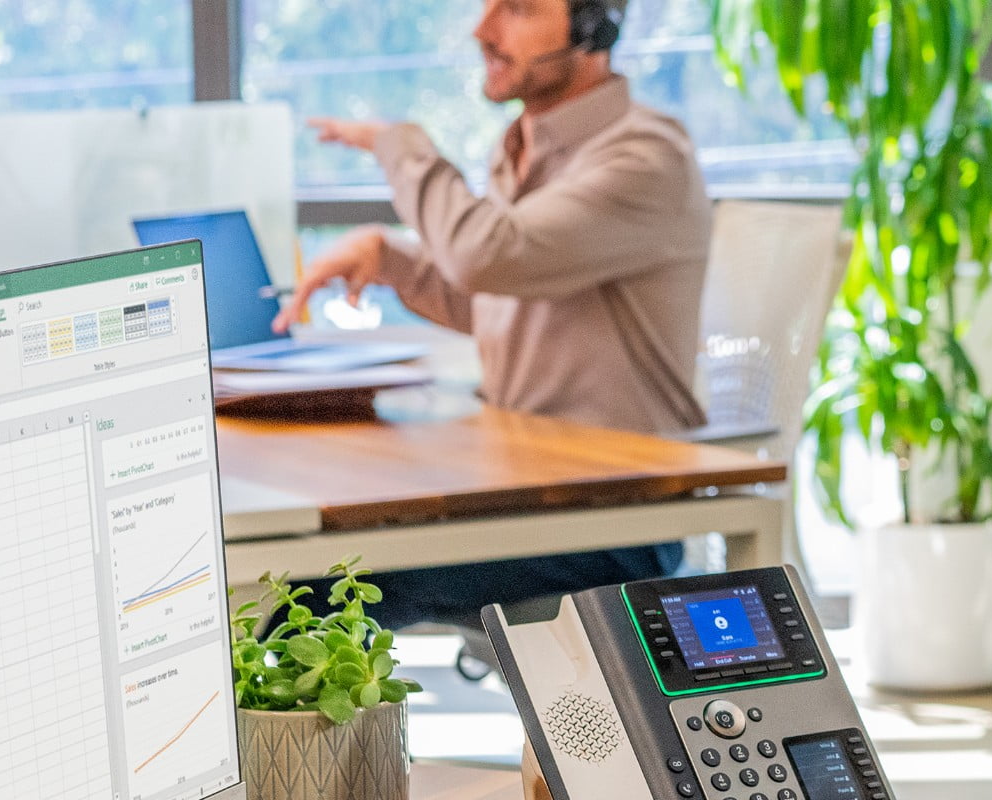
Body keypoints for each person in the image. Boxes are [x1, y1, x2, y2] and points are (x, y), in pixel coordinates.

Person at [282, 0, 713, 667]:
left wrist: (402, 145)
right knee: (298, 551)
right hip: (526, 493)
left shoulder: (645, 155)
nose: (483, 31)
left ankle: (319, 770)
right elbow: (499, 297)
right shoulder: (523, 150)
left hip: (610, 520)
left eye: (516, 8)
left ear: (593, 24)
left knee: (303, 586)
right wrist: (392, 260)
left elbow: (489, 256)